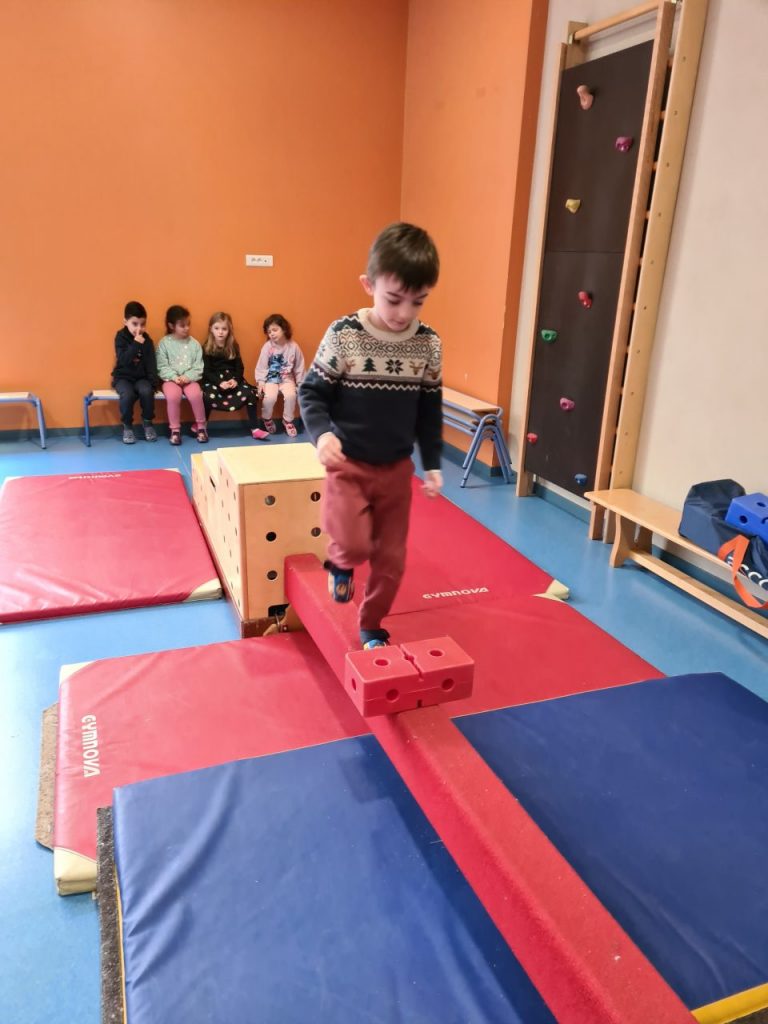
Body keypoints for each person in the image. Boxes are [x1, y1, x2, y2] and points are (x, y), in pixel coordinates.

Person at [299, 222, 442, 650]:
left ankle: (372, 625)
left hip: (396, 470)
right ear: (369, 285)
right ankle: (340, 562)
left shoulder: (428, 344)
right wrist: (322, 436)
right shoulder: (345, 335)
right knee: (355, 543)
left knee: (391, 559)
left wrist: (433, 463)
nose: (404, 313)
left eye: (418, 302)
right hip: (349, 464)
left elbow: (429, 409)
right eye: (393, 299)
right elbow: (312, 392)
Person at [202, 312, 269, 440]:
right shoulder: (206, 347)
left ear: (229, 330)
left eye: (224, 329)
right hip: (215, 381)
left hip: (232, 379)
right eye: (217, 328)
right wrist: (219, 382)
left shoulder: (233, 345)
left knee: (250, 393)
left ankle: (255, 428)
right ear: (211, 329)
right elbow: (207, 371)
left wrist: (235, 380)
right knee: (207, 396)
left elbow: (240, 368)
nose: (220, 332)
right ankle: (202, 426)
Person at [156, 305, 207, 445]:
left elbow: (198, 366)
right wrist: (174, 377)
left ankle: (201, 427)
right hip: (170, 380)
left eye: (188, 324)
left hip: (190, 380)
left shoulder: (194, 344)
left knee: (196, 395)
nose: (186, 328)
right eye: (182, 325)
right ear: (171, 326)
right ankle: (175, 430)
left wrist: (188, 377)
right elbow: (161, 366)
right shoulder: (164, 344)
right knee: (173, 396)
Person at [111, 300, 158, 444]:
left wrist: (153, 383)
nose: (139, 328)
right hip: (123, 378)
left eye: (142, 324)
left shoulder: (147, 340)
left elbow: (151, 362)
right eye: (135, 324)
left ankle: (148, 423)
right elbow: (124, 359)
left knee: (146, 391)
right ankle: (127, 426)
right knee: (127, 395)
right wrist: (136, 343)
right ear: (125, 322)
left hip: (141, 378)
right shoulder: (120, 337)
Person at [255, 314, 306, 437]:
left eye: (275, 330)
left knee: (291, 396)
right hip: (271, 379)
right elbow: (262, 365)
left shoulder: (293, 346)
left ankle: (287, 421)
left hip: (287, 379)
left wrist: (301, 383)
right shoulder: (267, 347)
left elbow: (299, 366)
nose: (272, 334)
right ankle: (267, 418)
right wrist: (261, 382)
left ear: (284, 329)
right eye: (269, 332)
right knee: (270, 398)